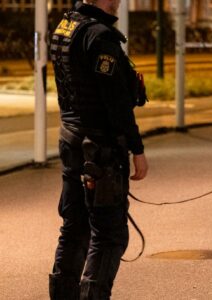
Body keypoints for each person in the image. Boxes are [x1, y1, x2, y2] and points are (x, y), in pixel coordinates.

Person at [48, 0, 148, 299]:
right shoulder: (100, 38)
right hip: (100, 150)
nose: (118, 1)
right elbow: (116, 104)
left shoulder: (65, 28)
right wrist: (136, 149)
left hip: (71, 141)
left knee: (75, 228)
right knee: (109, 236)